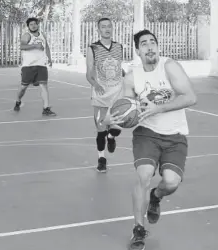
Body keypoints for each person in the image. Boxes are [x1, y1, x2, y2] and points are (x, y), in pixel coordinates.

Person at [108, 29, 197, 250]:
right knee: (144, 176)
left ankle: (156, 197)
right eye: (144, 44)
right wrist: (115, 121)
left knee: (171, 182)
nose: (150, 46)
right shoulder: (132, 76)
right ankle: (138, 229)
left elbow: (191, 97)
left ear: (158, 46)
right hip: (146, 134)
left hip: (174, 135)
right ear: (138, 50)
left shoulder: (170, 66)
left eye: (153, 42)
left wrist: (159, 108)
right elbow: (126, 109)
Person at [86, 17, 126, 173]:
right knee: (101, 130)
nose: (107, 29)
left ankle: (112, 137)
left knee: (117, 127)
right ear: (99, 29)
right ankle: (101, 159)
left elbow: (119, 69)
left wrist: (127, 79)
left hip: (117, 94)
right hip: (101, 96)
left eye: (109, 26)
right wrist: (95, 84)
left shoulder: (119, 47)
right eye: (103, 27)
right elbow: (89, 73)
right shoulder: (93, 48)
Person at [13, 17, 56, 116]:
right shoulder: (27, 35)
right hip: (28, 65)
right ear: (28, 26)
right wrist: (35, 46)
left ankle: (46, 108)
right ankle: (18, 100)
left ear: (38, 25)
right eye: (31, 24)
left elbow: (47, 46)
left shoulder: (42, 35)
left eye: (35, 24)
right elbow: (22, 46)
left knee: (43, 86)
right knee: (23, 87)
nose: (33, 26)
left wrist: (49, 58)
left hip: (41, 64)